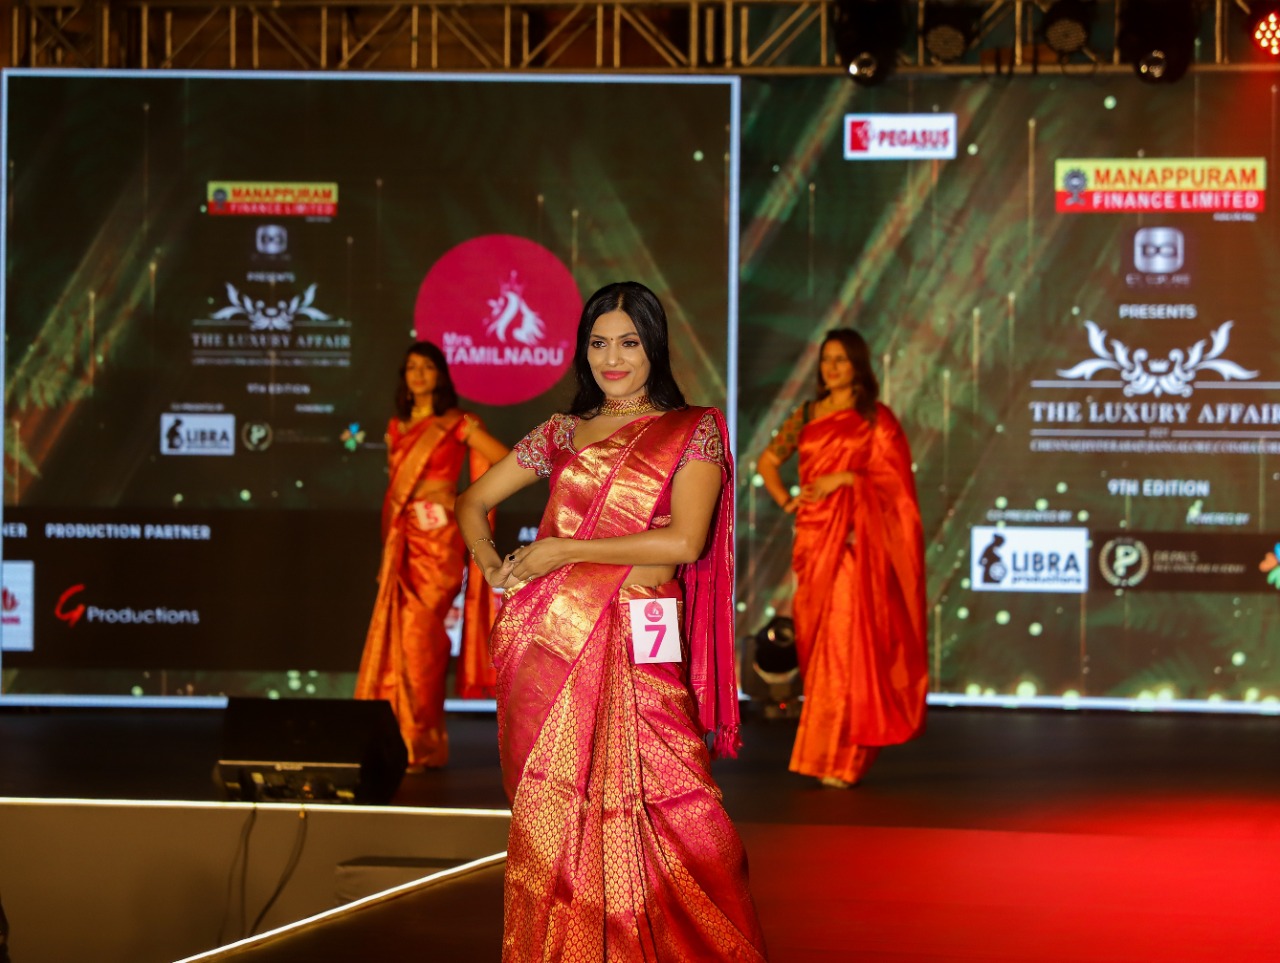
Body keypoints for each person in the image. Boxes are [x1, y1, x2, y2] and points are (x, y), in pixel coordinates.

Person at [456, 281, 767, 962]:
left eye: (628, 342)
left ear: (653, 346)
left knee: (686, 812)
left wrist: (564, 550)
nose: (612, 358)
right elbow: (472, 500)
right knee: (557, 816)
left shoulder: (691, 430)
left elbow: (684, 541)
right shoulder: (561, 432)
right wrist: (492, 564)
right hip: (552, 641)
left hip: (637, 635)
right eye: (599, 344)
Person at [758, 328, 927, 788]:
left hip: (854, 546)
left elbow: (897, 491)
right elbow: (767, 462)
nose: (831, 368)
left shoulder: (875, 419)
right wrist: (787, 500)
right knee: (819, 648)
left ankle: (843, 757)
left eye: (841, 360)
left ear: (857, 366)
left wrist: (849, 479)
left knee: (846, 650)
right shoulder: (807, 414)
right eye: (826, 360)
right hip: (813, 541)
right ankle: (825, 754)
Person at [355, 341, 509, 770]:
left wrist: (458, 503)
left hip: (438, 544)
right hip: (402, 539)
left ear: (440, 375)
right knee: (399, 640)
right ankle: (402, 740)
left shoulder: (458, 423)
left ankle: (419, 742)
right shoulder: (397, 426)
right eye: (411, 368)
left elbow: (504, 461)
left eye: (427, 367)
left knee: (420, 638)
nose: (418, 374)